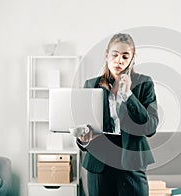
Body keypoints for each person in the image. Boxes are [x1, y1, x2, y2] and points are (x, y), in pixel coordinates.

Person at [78, 33, 159, 196]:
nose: (119, 60)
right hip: (99, 163)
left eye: (125, 56)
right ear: (106, 55)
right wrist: (82, 140)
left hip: (131, 161)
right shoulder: (91, 85)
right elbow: (83, 127)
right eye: (115, 55)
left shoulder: (145, 83)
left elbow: (150, 128)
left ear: (132, 59)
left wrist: (128, 94)